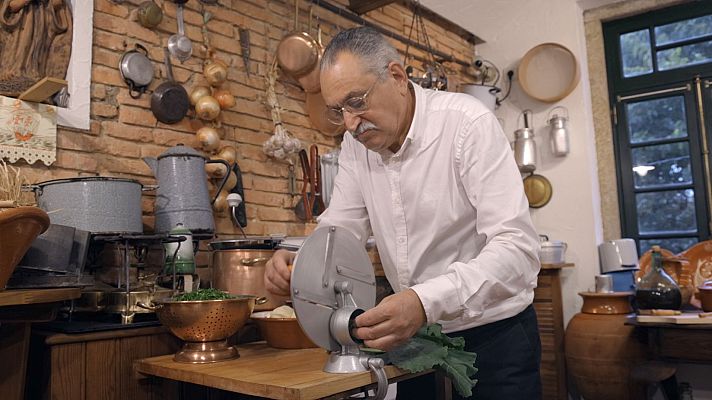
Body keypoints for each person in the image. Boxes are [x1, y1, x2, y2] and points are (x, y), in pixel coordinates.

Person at [265, 26, 542, 400]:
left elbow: (518, 250)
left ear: (396, 76)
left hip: (494, 337)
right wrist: (301, 260)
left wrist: (423, 301)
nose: (350, 123)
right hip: (414, 340)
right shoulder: (355, 144)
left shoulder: (467, 124)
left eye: (357, 101)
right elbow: (340, 228)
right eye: (339, 110)